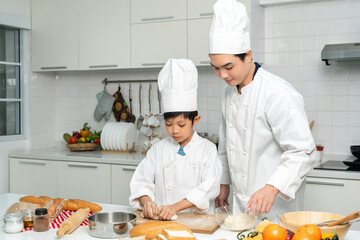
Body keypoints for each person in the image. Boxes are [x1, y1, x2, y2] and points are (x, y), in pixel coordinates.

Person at [208, 0, 316, 221]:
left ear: (248, 55)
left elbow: (303, 151)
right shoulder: (227, 94)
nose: (223, 75)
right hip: (241, 206)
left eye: (228, 67)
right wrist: (223, 182)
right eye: (216, 68)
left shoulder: (278, 94)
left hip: (276, 209)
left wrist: (272, 187)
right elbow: (225, 146)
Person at [129, 59, 221, 220]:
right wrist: (147, 201)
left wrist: (175, 207)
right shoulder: (158, 149)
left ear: (195, 120)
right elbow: (141, 182)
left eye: (181, 124)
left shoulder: (207, 149)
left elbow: (209, 187)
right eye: (169, 124)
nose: (174, 130)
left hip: (197, 221)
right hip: (161, 221)